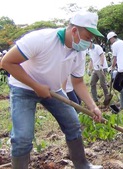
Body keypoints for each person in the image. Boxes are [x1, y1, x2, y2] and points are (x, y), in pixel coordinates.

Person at [1, 11, 103, 169]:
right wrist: (36, 86)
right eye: (88, 38)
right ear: (75, 30)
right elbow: (7, 62)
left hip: (53, 90)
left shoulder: (79, 52)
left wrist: (93, 106)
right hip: (23, 88)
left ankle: (82, 165)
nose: (89, 43)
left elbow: (78, 82)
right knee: (22, 137)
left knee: (73, 124)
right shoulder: (42, 39)